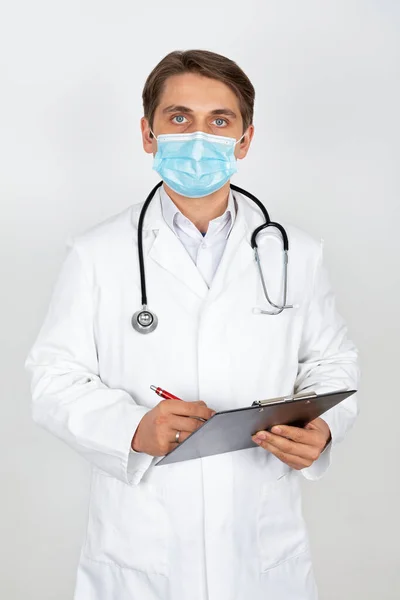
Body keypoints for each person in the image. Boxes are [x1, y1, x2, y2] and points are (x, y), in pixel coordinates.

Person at [24, 49, 359, 600]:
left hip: (260, 536)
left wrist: (323, 430)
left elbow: (331, 363)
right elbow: (53, 379)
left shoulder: (296, 252)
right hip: (141, 546)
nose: (198, 137)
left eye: (219, 121)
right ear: (148, 133)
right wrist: (132, 429)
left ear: (245, 140)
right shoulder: (97, 254)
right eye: (179, 117)